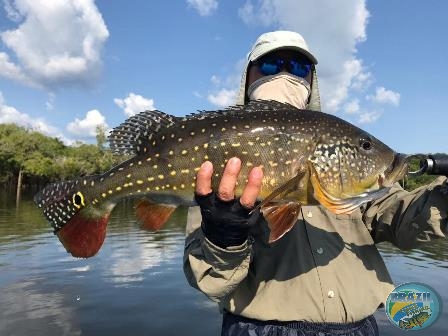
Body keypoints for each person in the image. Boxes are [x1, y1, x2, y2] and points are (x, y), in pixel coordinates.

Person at [183, 31, 447, 336]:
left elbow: (404, 219)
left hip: (361, 327)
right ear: (248, 76)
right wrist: (223, 238)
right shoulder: (215, 160)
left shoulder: (353, 172)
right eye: (270, 65)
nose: (285, 73)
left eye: (298, 68)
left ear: (312, 82)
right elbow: (210, 281)